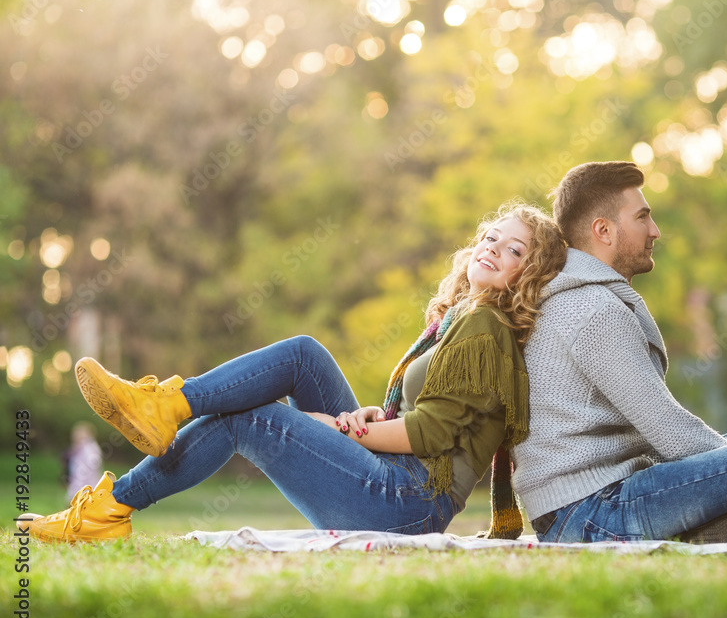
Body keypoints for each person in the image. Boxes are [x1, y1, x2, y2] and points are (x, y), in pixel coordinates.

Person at [19, 202, 566, 543]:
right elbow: (429, 420)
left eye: (514, 248)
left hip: (409, 504)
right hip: (403, 483)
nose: (493, 247)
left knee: (249, 419)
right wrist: (377, 415)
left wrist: (343, 428)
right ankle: (166, 407)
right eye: (492, 235)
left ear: (528, 275)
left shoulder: (485, 329)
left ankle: (109, 507)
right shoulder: (460, 319)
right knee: (305, 355)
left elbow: (431, 436)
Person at [511, 161, 727, 543]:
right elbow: (670, 431)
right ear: (604, 230)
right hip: (592, 511)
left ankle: (704, 534)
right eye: (643, 217)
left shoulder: (585, 299)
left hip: (587, 504)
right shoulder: (594, 310)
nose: (655, 231)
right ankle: (708, 525)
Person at [64, 422, 103, 502]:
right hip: (81, 487)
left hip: (86, 489)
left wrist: (74, 492)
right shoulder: (80, 448)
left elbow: (87, 470)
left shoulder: (88, 449)